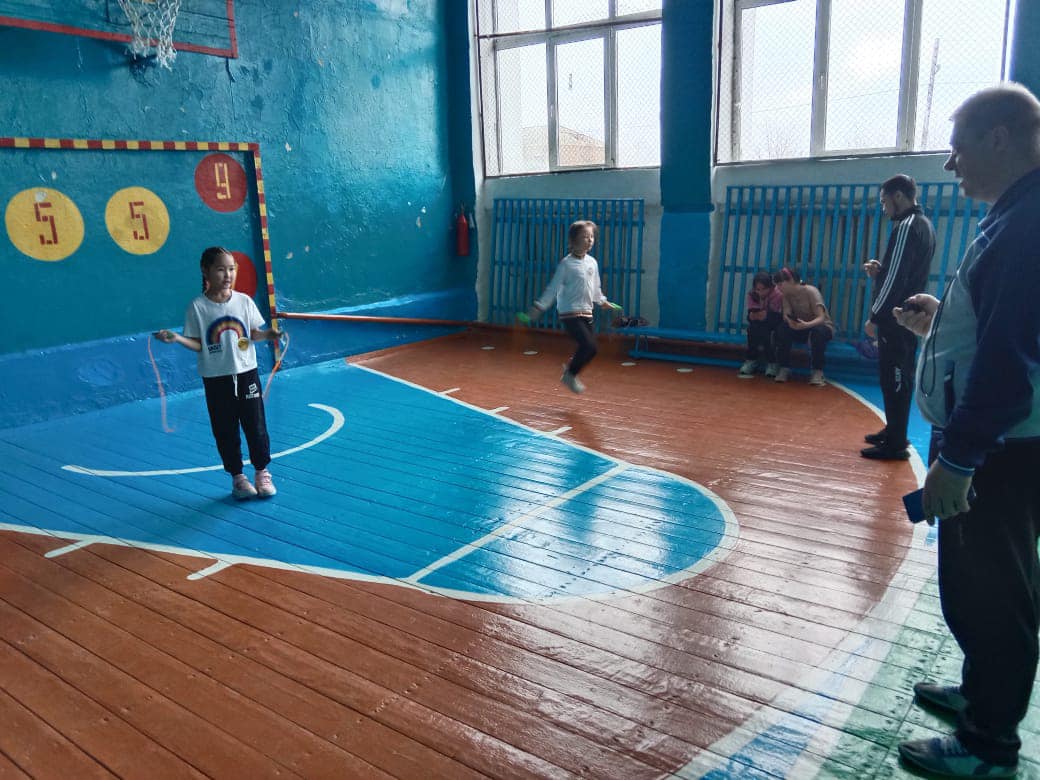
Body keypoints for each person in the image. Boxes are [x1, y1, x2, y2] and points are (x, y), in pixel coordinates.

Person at [894, 83, 1040, 779]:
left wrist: (960, 458)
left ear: (999, 139)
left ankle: (989, 745)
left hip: (1001, 449)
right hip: (1003, 442)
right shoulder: (1014, 215)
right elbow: (997, 330)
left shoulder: (1026, 224)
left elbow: (1010, 360)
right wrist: (942, 324)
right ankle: (981, 694)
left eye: (957, 149)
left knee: (992, 590)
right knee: (985, 582)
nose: (950, 165)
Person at [155, 246, 282, 500]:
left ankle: (262, 472)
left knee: (256, 426)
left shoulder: (244, 301)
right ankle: (238, 478)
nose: (228, 275)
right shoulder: (197, 307)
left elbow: (253, 333)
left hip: (246, 374)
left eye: (231, 269)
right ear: (206, 271)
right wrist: (177, 338)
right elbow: (199, 344)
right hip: (216, 379)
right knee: (225, 429)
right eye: (221, 269)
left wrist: (268, 334)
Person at [860, 175, 936, 460]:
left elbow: (896, 281)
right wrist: (881, 272)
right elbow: (902, 273)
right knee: (897, 375)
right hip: (906, 314)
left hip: (896, 317)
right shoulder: (924, 225)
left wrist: (875, 316)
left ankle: (896, 443)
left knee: (894, 376)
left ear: (899, 197)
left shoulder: (906, 226)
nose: (884, 208)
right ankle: (894, 430)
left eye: (884, 202)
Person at [522, 220, 617, 394]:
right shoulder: (566, 264)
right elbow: (553, 288)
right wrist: (539, 307)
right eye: (585, 236)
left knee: (592, 350)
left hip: (586, 312)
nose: (590, 240)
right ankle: (570, 375)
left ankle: (570, 372)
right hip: (569, 313)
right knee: (588, 346)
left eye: (591, 236)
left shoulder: (592, 263)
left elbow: (595, 287)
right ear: (573, 240)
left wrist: (602, 301)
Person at [772, 267, 833, 386]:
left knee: (818, 333)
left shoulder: (811, 291)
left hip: (820, 326)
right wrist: (791, 322)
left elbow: (821, 317)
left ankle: (817, 371)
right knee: (782, 329)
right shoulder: (786, 295)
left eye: (780, 284)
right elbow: (786, 314)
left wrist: (806, 325)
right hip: (800, 326)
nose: (778, 288)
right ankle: (784, 367)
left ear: (790, 280)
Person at [738, 270, 783, 378]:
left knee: (766, 331)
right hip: (759, 322)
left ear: (771, 287)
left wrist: (761, 314)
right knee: (752, 329)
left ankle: (772, 362)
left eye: (764, 289)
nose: (761, 292)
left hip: (775, 322)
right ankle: (751, 360)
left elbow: (775, 315)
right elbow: (752, 314)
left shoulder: (778, 294)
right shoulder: (752, 294)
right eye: (758, 289)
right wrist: (755, 315)